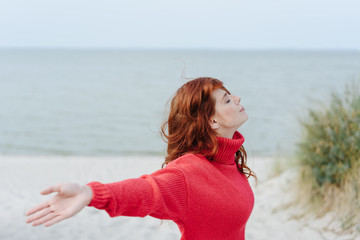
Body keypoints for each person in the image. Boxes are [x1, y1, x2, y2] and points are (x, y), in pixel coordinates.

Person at [26, 77, 256, 240]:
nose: (237, 98)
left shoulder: (227, 162)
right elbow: (148, 190)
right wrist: (93, 193)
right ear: (212, 122)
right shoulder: (189, 172)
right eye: (226, 100)